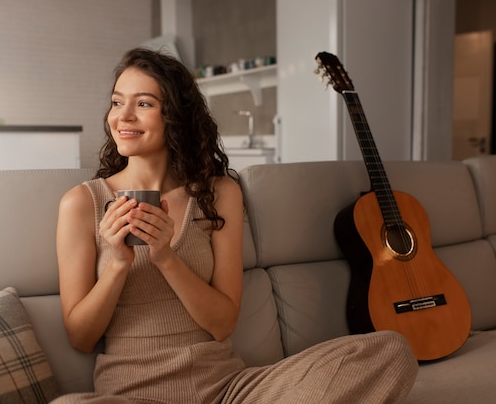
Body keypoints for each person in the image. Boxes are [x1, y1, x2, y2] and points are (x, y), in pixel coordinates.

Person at [52, 48, 418, 404]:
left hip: (230, 391)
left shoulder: (219, 193)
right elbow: (82, 339)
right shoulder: (84, 203)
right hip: (131, 395)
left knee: (389, 349)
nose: (123, 116)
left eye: (143, 104)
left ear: (175, 116)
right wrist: (118, 263)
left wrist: (166, 257)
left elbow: (223, 324)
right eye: (117, 102)